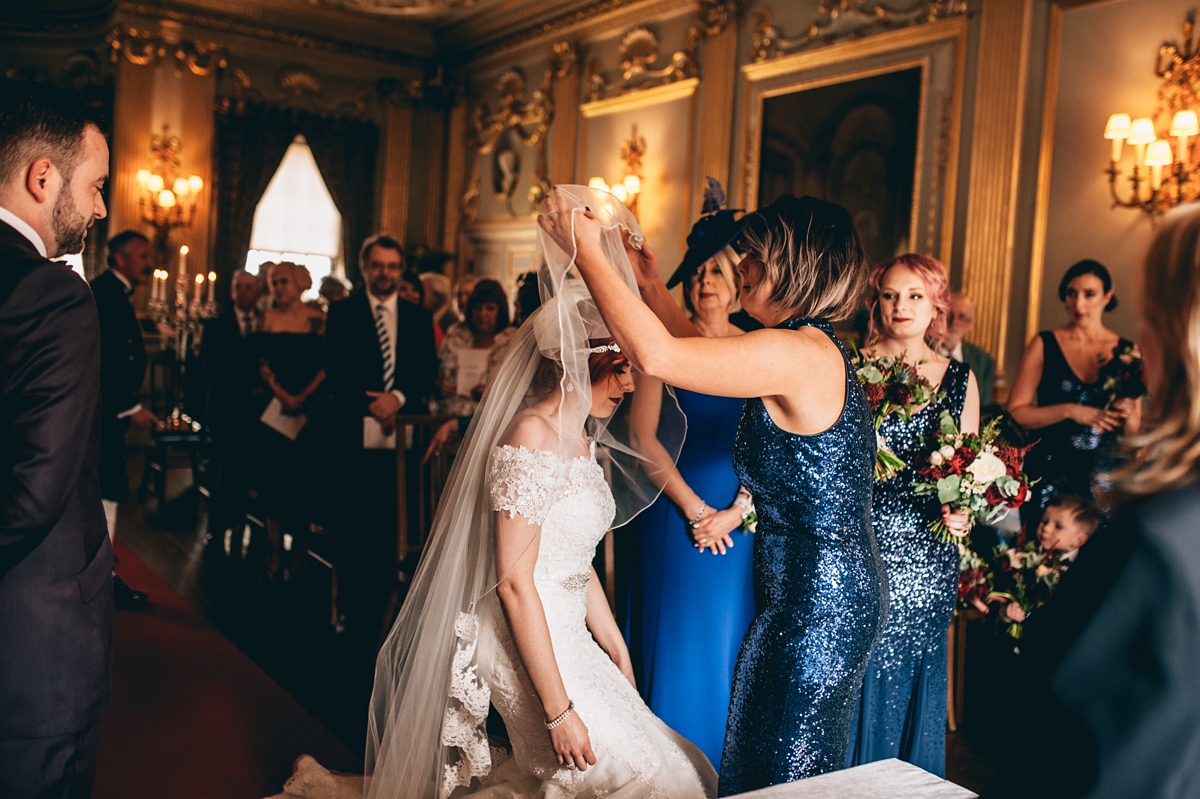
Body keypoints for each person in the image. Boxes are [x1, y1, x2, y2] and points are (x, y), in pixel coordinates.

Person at [273, 197, 712, 799]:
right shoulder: (531, 435)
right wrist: (558, 712)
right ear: (581, 364)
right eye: (621, 369)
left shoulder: (582, 439)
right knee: (640, 781)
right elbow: (513, 583)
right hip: (517, 632)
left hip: (568, 630)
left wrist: (614, 645)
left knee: (675, 766)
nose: (631, 383)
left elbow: (575, 561)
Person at [539, 187, 886, 793]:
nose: (742, 265)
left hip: (816, 603)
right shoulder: (801, 346)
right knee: (764, 754)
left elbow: (661, 355)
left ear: (788, 264)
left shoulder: (797, 352)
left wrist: (586, 248)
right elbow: (697, 352)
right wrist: (650, 284)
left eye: (752, 255)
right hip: (810, 591)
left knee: (777, 767)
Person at [993, 203, 1200, 799]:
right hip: (1054, 478)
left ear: (1167, 338)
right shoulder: (1158, 528)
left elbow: (1083, 746)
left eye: (1151, 312)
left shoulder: (1157, 542)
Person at [0, 82, 113, 799]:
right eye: (96, 185)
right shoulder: (55, 294)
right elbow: (33, 493)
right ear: (44, 177)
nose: (100, 208)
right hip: (29, 642)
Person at [627, 185, 757, 770]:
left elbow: (774, 444)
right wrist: (695, 509)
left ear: (738, 282)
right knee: (674, 637)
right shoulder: (665, 343)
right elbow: (641, 436)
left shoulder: (761, 351)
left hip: (740, 519)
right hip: (675, 513)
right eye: (699, 271)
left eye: (719, 271)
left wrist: (738, 509)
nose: (706, 280)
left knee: (725, 638)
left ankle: (715, 768)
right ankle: (666, 771)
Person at [845, 254, 979, 777]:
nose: (902, 306)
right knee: (859, 670)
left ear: (936, 304)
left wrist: (962, 512)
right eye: (890, 295)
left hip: (928, 553)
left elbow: (966, 469)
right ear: (876, 303)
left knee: (911, 672)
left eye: (915, 295)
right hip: (860, 543)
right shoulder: (850, 367)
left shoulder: (960, 379)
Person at [324, 234, 437, 661]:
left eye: (392, 266)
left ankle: (391, 619)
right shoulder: (342, 313)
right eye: (377, 265)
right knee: (353, 531)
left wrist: (399, 400)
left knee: (393, 529)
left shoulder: (417, 316)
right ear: (364, 268)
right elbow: (335, 371)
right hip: (353, 438)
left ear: (400, 269)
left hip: (403, 444)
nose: (385, 273)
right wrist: (373, 403)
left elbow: (425, 369)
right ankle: (352, 617)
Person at [1008, 260, 1142, 523]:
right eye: (1071, 293)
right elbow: (1016, 412)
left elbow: (1132, 430)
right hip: (1047, 469)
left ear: (1107, 297)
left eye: (1089, 294)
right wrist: (1070, 411)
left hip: (1102, 477)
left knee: (1098, 558)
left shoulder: (1128, 352)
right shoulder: (1044, 343)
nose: (1078, 304)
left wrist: (1127, 413)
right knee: (1041, 554)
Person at [92, 229, 160, 607]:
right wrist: (131, 407)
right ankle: (102, 578)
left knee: (110, 484)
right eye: (143, 256)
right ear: (119, 258)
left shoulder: (115, 292)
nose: (149, 263)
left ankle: (102, 571)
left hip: (110, 412)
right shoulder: (106, 294)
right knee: (109, 485)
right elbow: (108, 357)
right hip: (103, 412)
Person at [254, 261, 326, 579]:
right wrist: (283, 394)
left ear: (300, 283)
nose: (278, 288)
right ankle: (273, 551)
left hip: (309, 412)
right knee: (273, 483)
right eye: (273, 282)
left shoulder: (317, 320)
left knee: (304, 484)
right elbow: (263, 364)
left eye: (283, 281)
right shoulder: (267, 318)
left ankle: (300, 554)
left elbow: (327, 365)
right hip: (275, 411)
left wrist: (303, 396)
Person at [202, 269, 264, 553]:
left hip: (258, 412)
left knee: (253, 470)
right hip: (226, 408)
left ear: (258, 292)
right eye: (239, 287)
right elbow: (211, 368)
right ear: (232, 291)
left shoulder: (265, 324)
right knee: (222, 471)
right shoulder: (217, 325)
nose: (244, 292)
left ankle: (249, 527)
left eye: (250, 287)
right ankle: (216, 529)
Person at [437, 278, 515, 417]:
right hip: (448, 418)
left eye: (490, 308)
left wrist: (496, 392)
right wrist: (440, 386)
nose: (482, 314)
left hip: (492, 421)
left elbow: (523, 388)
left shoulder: (513, 340)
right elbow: (434, 372)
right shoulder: (455, 335)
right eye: (477, 307)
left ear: (501, 310)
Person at [942, 291, 995, 406]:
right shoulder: (922, 351)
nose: (953, 323)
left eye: (962, 317)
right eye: (949, 315)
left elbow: (983, 406)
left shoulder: (983, 361)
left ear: (970, 326)